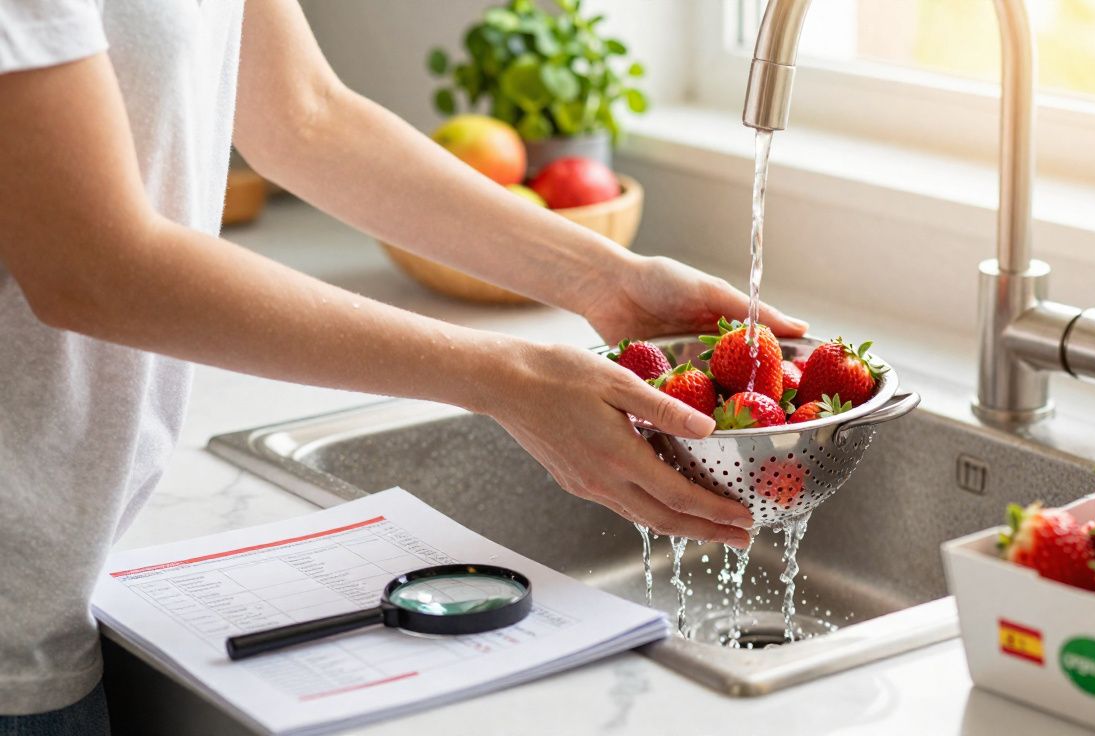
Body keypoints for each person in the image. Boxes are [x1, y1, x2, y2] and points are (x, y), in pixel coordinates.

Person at [0, 0, 805, 731]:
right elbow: (92, 266)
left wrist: (605, 280)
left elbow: (303, 115)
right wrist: (502, 378)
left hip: (47, 596)